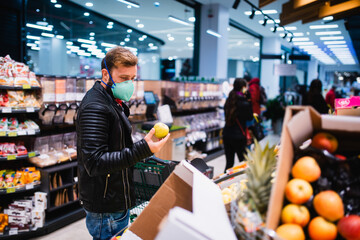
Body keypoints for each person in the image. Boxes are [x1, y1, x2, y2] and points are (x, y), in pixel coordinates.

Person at [76, 46, 169, 240]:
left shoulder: (112, 100)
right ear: (106, 74)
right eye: (124, 78)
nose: (129, 84)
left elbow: (114, 145)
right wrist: (143, 149)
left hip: (115, 197)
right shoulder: (96, 106)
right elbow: (94, 162)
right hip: (106, 205)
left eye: (133, 79)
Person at [223, 78, 253, 172]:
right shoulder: (244, 102)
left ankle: (223, 184)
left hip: (227, 134)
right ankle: (243, 183)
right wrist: (249, 100)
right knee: (243, 163)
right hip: (239, 136)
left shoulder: (229, 100)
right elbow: (250, 117)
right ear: (243, 88)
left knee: (229, 163)